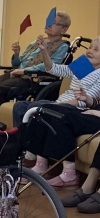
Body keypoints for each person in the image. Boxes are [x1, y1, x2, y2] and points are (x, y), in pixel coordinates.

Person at [20, 37, 100, 188]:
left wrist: (58, 104)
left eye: (96, 49)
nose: (89, 51)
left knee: (52, 112)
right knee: (39, 110)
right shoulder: (83, 65)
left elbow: (86, 101)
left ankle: (68, 173)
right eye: (90, 47)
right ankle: (40, 163)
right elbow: (53, 69)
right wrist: (44, 51)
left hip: (80, 109)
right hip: (73, 106)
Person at [0, 12, 70, 119]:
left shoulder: (63, 47)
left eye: (54, 23)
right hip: (18, 74)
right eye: (48, 21)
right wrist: (16, 54)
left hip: (33, 79)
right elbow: (16, 64)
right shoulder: (35, 43)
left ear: (63, 29)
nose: (49, 25)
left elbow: (51, 67)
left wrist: (24, 70)